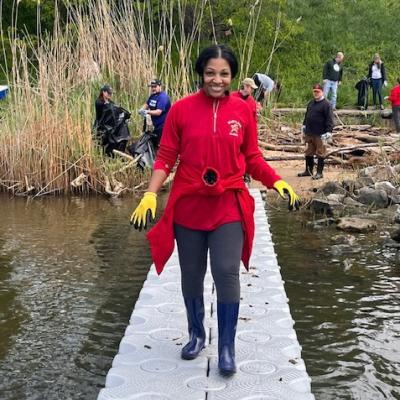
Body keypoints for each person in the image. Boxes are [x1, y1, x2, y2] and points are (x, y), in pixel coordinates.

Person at [129, 44, 300, 376]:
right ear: (201, 73)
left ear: (232, 75)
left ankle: (226, 347)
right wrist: (150, 194)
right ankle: (195, 334)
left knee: (226, 273)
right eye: (210, 72)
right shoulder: (180, 110)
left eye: (224, 73)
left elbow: (252, 156)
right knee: (192, 276)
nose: (217, 80)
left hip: (228, 205)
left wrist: (276, 181)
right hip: (189, 206)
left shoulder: (243, 110)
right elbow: (165, 157)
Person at [298, 83, 334, 180]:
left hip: (321, 134)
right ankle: (308, 171)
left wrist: (329, 131)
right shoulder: (311, 103)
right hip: (310, 132)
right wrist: (304, 126)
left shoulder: (327, 104)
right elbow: (307, 115)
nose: (316, 93)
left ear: (322, 92)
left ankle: (319, 173)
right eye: (314, 91)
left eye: (318, 91)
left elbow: (330, 119)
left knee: (320, 152)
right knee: (308, 152)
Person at [93, 84, 131, 156]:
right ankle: (101, 154)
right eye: (108, 93)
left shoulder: (109, 101)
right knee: (100, 141)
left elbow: (115, 109)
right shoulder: (98, 102)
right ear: (103, 92)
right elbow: (106, 110)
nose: (110, 95)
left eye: (111, 93)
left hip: (109, 125)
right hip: (101, 125)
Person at [138, 79, 171, 150]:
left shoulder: (163, 97)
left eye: (155, 87)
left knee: (160, 145)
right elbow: (146, 104)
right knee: (154, 144)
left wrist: (147, 112)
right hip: (155, 126)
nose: (153, 88)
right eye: (152, 87)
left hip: (163, 126)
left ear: (159, 86)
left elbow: (158, 112)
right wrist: (141, 109)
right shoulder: (152, 96)